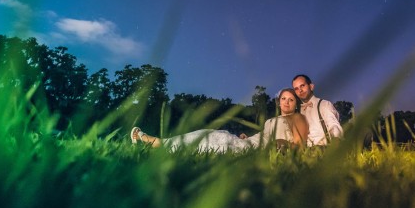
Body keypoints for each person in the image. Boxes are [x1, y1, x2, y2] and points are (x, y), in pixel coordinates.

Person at [130, 88, 308, 153]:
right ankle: (159, 143)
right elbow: (264, 135)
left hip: (256, 150)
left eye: (290, 99)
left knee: (212, 143)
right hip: (248, 142)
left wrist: (281, 145)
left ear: (296, 103)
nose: (286, 102)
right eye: (283, 98)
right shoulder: (271, 120)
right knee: (209, 134)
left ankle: (153, 142)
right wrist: (249, 137)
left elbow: (299, 146)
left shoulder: (298, 118)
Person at [292, 74, 343, 146]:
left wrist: (336, 142)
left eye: (302, 86)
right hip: (306, 154)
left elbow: (334, 126)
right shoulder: (297, 112)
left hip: (325, 149)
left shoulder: (324, 104)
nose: (300, 90)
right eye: (296, 88)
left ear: (311, 86)